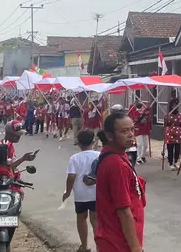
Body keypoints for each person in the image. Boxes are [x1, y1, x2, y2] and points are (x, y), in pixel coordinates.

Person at [94, 112, 146, 252]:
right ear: (110, 136)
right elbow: (123, 211)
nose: (131, 134)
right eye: (124, 131)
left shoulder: (118, 155)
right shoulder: (116, 165)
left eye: (132, 129)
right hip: (118, 242)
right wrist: (135, 248)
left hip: (115, 237)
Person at [62, 130, 100, 252]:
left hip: (80, 195)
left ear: (78, 143)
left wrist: (67, 192)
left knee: (81, 219)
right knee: (95, 221)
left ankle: (84, 247)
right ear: (93, 142)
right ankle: (100, 246)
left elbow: (71, 177)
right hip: (96, 194)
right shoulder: (99, 155)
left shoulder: (74, 158)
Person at [163, 98, 181, 171]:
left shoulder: (180, 114)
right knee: (170, 149)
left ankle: (176, 162)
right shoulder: (167, 114)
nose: (174, 106)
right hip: (170, 133)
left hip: (178, 133)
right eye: (173, 105)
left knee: (177, 149)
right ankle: (170, 163)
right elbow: (165, 125)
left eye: (176, 105)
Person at [128, 101, 151, 165]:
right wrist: (143, 114)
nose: (143, 108)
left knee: (146, 144)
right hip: (138, 130)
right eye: (143, 106)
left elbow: (149, 121)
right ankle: (138, 158)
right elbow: (138, 120)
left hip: (145, 130)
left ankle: (142, 156)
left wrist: (150, 128)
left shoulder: (146, 113)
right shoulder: (136, 112)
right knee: (139, 144)